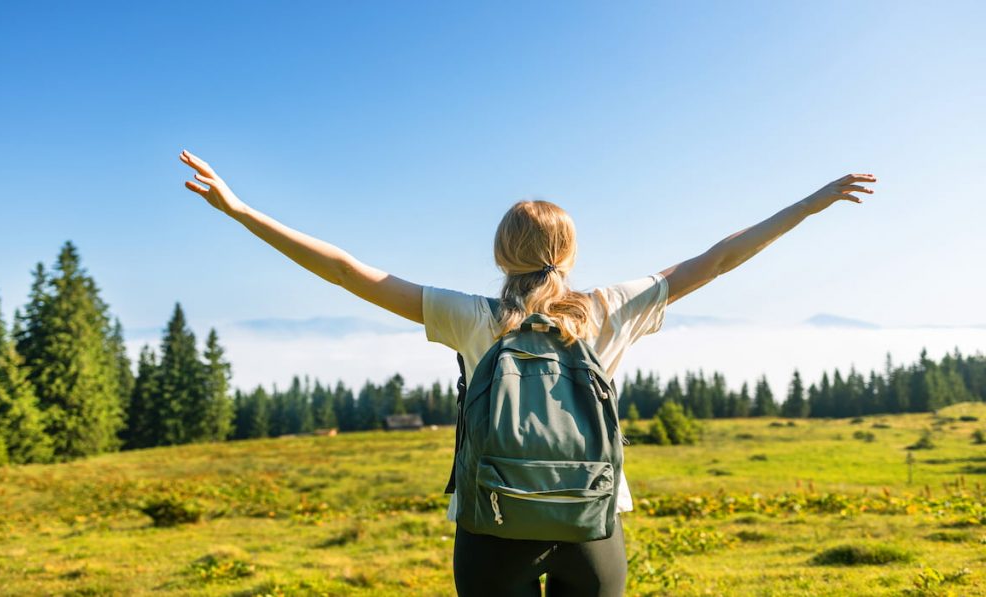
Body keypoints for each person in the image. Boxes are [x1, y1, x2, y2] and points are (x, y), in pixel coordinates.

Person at [178, 149, 876, 595]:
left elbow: (345, 271)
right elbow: (717, 258)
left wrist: (242, 211)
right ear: (568, 251)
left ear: (501, 254)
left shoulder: (471, 317)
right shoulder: (610, 307)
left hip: (490, 521)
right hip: (591, 521)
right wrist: (807, 205)